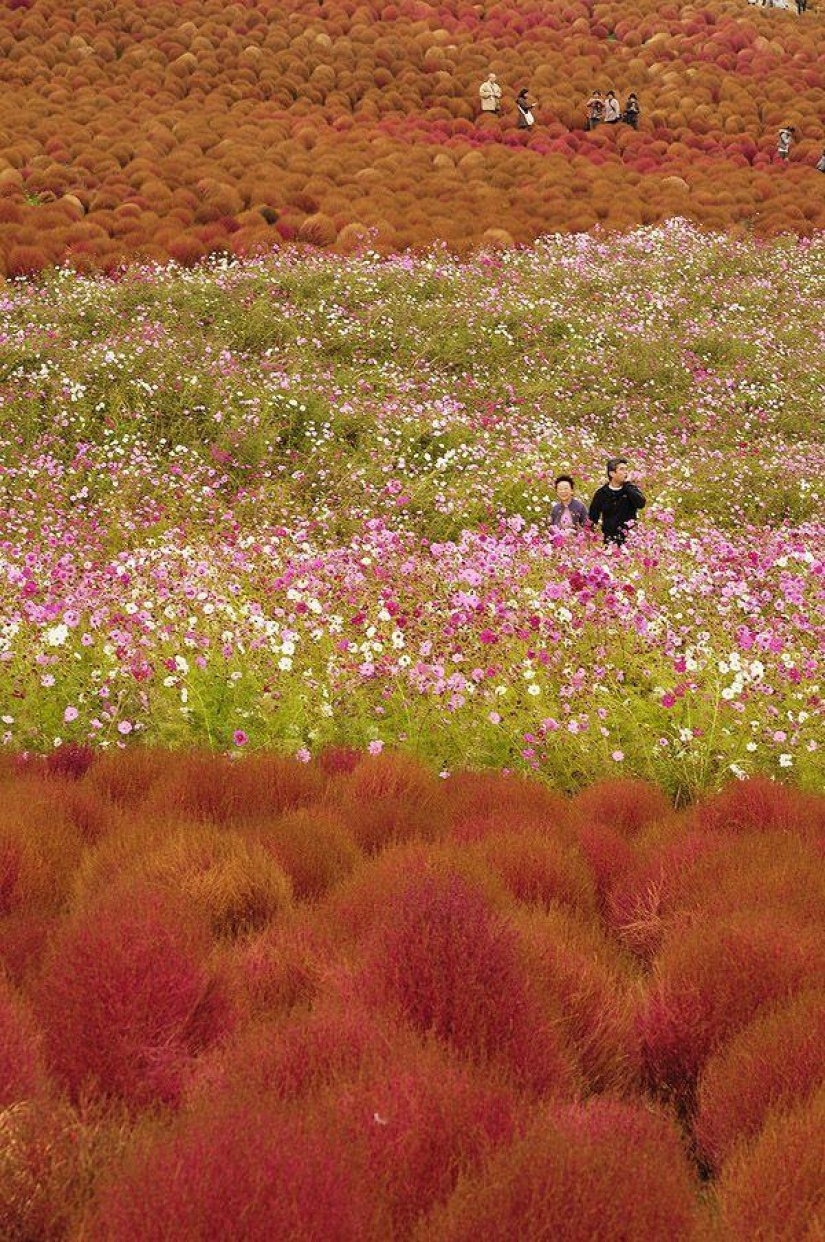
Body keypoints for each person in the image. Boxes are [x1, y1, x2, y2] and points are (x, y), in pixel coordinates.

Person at [588, 458, 646, 545]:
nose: (626, 472)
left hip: (630, 540)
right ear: (612, 473)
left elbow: (641, 504)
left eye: (626, 469)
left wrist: (627, 485)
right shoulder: (602, 493)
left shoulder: (631, 489)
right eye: (622, 469)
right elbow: (593, 517)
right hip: (609, 540)